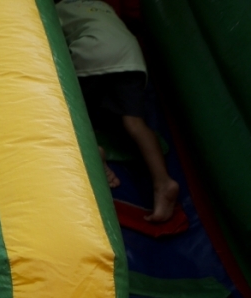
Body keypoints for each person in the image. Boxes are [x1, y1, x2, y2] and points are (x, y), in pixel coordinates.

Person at [56, 0, 180, 222]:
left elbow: (52, 43)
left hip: (92, 53)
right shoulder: (103, 6)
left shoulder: (57, 10)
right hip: (130, 56)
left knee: (67, 108)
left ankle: (95, 149)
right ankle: (164, 182)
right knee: (134, 123)